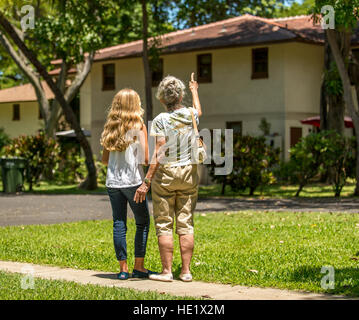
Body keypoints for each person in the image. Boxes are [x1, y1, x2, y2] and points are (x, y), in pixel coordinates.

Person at [134, 73, 202, 282]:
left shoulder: (160, 120)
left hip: (166, 175)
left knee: (164, 223)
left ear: (162, 98)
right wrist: (194, 90)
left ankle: (167, 271)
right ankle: (186, 271)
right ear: (180, 95)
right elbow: (199, 110)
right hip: (189, 173)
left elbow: (160, 150)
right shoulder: (191, 114)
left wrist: (147, 181)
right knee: (185, 222)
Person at [101, 88, 156, 280]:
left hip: (113, 182)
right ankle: (139, 267)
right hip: (132, 181)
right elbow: (146, 158)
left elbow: (104, 160)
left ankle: (123, 269)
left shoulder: (110, 126)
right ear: (135, 104)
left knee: (119, 223)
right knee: (142, 222)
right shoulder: (138, 125)